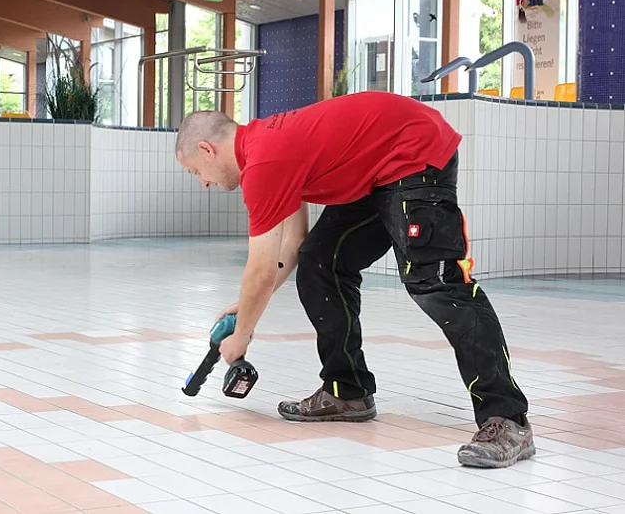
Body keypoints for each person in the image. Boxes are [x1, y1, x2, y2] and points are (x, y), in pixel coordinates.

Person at [173, 91, 534, 469]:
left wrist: (241, 336)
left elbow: (261, 268)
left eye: (196, 171)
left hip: (414, 153)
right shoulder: (265, 150)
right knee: (320, 261)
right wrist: (244, 308)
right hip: (377, 173)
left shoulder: (264, 161)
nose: (204, 183)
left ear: (207, 149)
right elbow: (294, 245)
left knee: (437, 284)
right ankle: (348, 392)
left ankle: (508, 419)